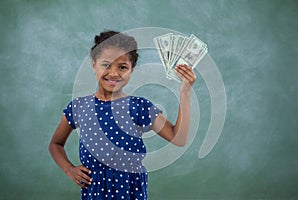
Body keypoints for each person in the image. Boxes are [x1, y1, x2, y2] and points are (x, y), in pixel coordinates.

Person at [48, 30, 196, 200]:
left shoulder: (139, 106)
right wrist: (69, 169)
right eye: (106, 64)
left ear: (132, 69)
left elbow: (179, 138)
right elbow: (55, 144)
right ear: (93, 64)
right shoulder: (79, 107)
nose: (114, 73)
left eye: (122, 67)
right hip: (94, 192)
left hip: (131, 192)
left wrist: (185, 92)